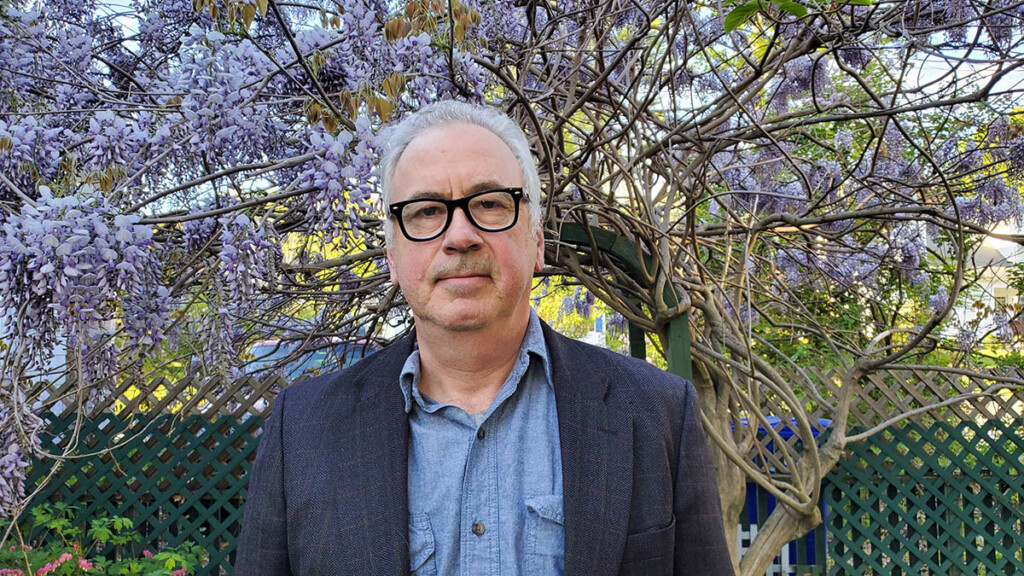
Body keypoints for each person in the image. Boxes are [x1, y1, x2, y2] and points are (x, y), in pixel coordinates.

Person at [235, 101, 735, 576]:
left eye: (490, 204)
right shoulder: (301, 429)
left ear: (536, 241)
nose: (459, 235)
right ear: (392, 256)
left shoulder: (659, 412)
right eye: (426, 211)